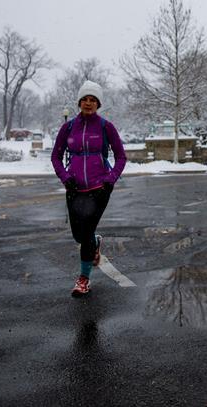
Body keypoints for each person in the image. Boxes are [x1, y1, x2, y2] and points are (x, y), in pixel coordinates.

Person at [51, 80, 126, 297]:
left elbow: (121, 157)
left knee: (85, 236)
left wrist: (110, 180)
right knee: (78, 235)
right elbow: (55, 156)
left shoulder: (105, 127)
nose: (88, 103)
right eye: (85, 99)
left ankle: (83, 280)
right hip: (74, 188)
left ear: (98, 103)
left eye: (93, 100)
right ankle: (95, 241)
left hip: (99, 188)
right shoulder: (68, 127)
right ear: (79, 102)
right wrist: (65, 178)